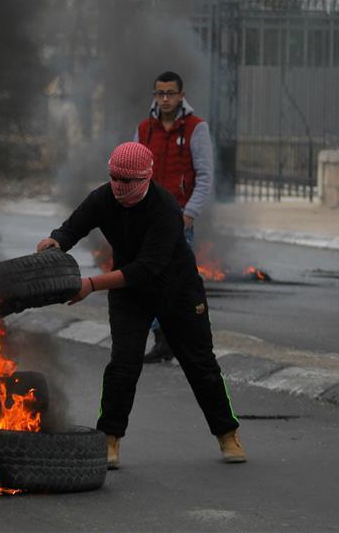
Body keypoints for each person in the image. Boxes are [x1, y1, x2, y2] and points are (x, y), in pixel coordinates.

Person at [37, 141, 244, 469]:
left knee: (200, 365)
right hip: (129, 295)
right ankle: (109, 440)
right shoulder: (103, 197)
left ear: (146, 178)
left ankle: (227, 433)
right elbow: (73, 227)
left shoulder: (165, 209)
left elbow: (146, 269)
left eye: (128, 181)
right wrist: (56, 241)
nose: (119, 186)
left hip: (177, 291)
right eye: (114, 177)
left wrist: (90, 285)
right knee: (123, 364)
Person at [134, 71, 214, 363]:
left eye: (170, 93)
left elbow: (205, 176)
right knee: (148, 281)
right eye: (159, 93)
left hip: (179, 219)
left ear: (181, 95)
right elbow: (133, 171)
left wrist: (189, 214)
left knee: (178, 283)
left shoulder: (195, 129)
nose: (165, 99)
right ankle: (162, 339)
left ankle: (184, 338)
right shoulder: (145, 130)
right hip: (147, 220)